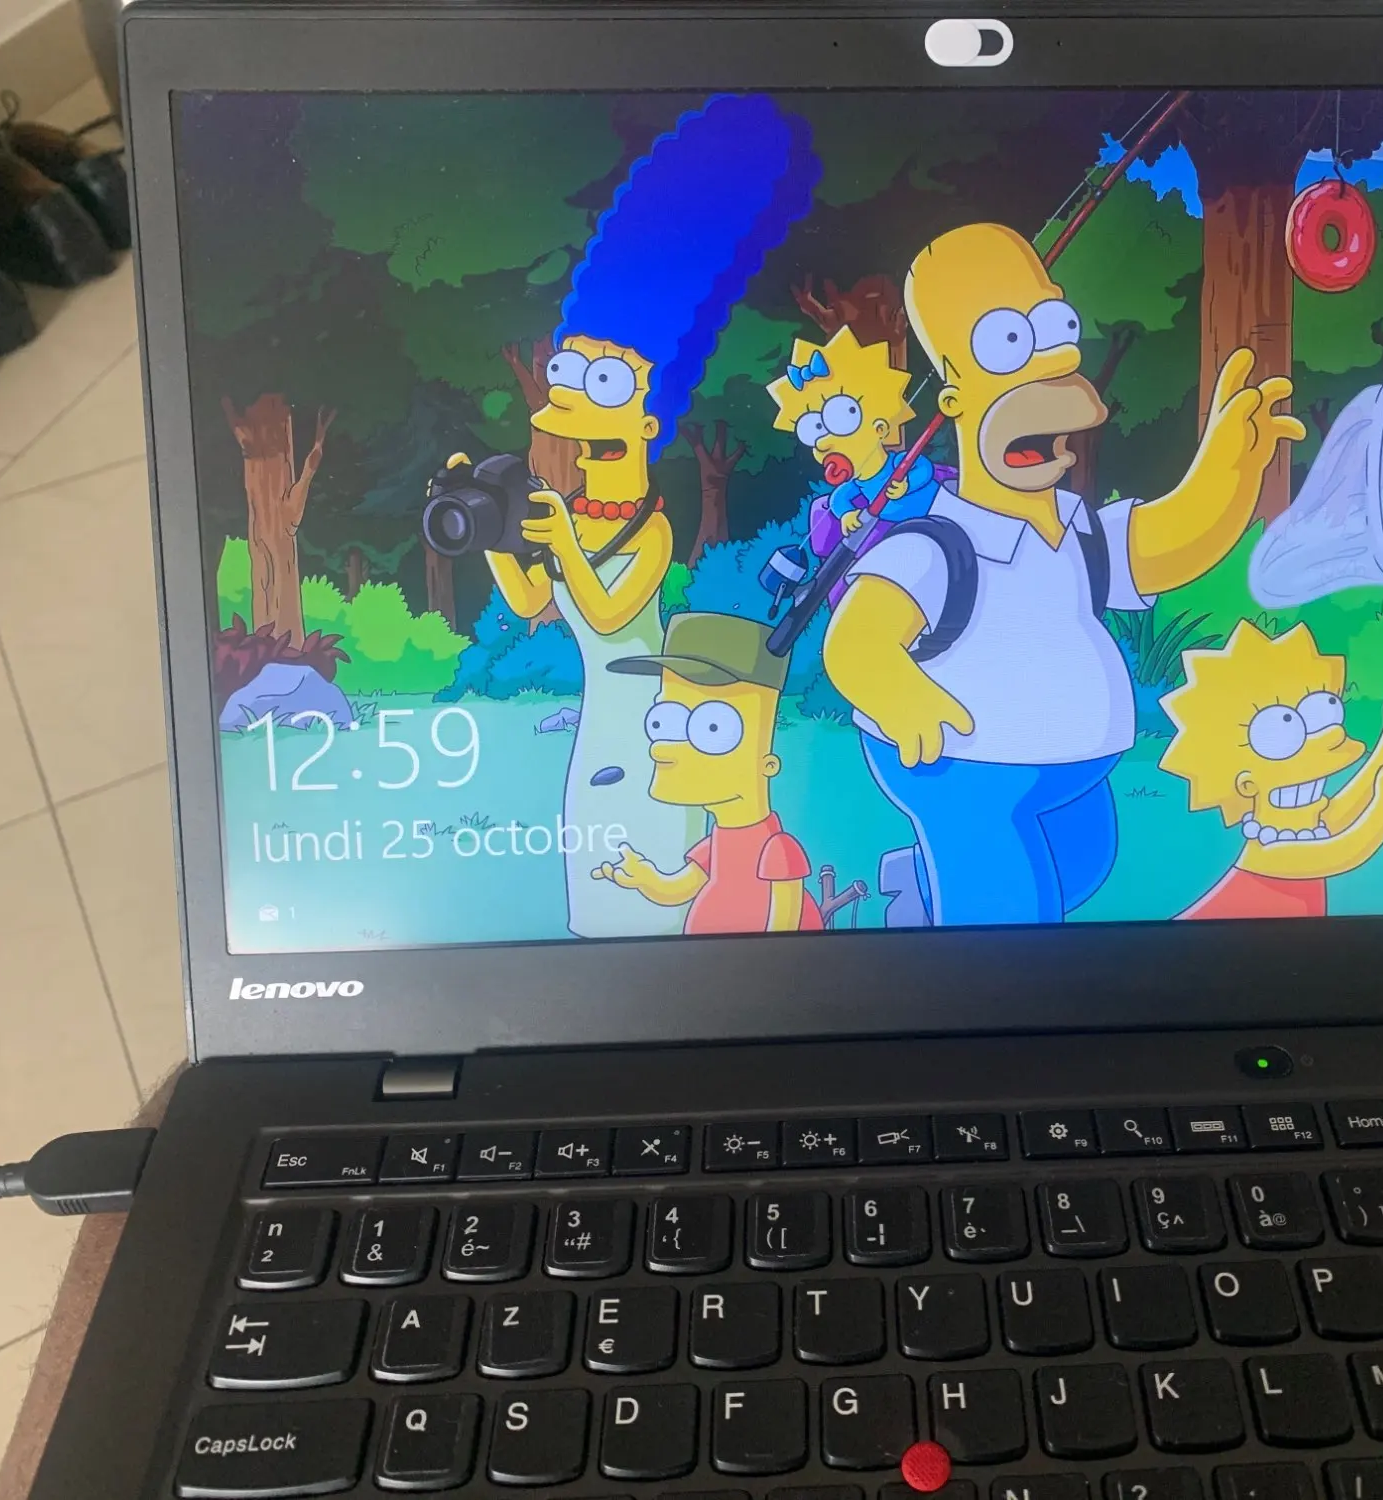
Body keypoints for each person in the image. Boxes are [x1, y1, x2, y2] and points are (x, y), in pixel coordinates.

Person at [821, 221, 1304, 926]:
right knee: (1009, 910)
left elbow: (1169, 544)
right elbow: (856, 638)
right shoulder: (938, 547)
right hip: (963, 766)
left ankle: (917, 890)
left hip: (1073, 765)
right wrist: (901, 698)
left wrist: (1230, 468)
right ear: (953, 403)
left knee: (1086, 861)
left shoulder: (1079, 531)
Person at [478, 93, 818, 939]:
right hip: (599, 720)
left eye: (602, 382)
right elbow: (534, 603)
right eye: (569, 375)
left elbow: (608, 614)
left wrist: (563, 542)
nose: (572, 403)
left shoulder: (650, 528)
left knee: (663, 879)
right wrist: (492, 535)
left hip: (652, 714)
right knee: (597, 886)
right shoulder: (572, 514)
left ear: (642, 422)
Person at [1158, 620, 1383, 919]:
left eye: (1325, 710)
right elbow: (1343, 852)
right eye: (1284, 730)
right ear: (1246, 784)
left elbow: (1345, 808)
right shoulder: (1269, 851)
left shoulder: (1307, 825)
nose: (1331, 736)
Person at [591, 613, 824, 935]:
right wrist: (645, 878)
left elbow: (785, 927)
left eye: (712, 727)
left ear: (768, 764)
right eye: (662, 722)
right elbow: (676, 890)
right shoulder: (716, 844)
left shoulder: (777, 848)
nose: (660, 749)